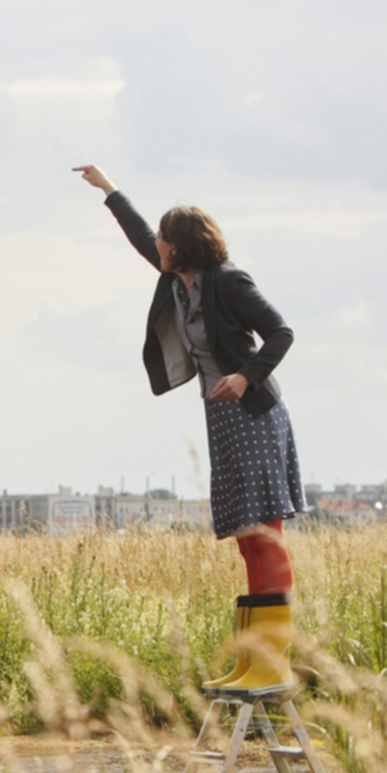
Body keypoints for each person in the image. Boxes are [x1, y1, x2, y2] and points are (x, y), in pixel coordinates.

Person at [74, 163, 306, 692]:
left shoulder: (228, 281)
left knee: (266, 535)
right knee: (247, 538)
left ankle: (274, 661)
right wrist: (108, 190)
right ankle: (254, 658)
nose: (154, 243)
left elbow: (281, 332)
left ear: (179, 245)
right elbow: (137, 236)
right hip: (220, 415)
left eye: (162, 237)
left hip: (255, 413)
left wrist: (246, 377)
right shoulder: (175, 282)